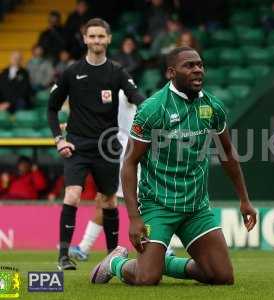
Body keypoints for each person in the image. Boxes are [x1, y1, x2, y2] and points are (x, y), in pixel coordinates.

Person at [90, 46, 257, 285]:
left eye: (200, 64)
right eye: (189, 65)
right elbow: (129, 163)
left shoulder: (213, 107)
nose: (198, 70)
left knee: (221, 276)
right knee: (147, 279)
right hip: (157, 204)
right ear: (171, 72)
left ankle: (162, 262)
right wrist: (134, 217)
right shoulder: (152, 109)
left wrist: (244, 200)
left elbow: (228, 154)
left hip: (196, 207)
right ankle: (115, 262)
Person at [47, 18, 145, 271]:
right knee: (73, 194)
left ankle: (112, 256)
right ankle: (63, 256)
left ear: (109, 39)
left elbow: (136, 97)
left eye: (101, 36)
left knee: (109, 201)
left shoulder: (117, 72)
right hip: (77, 146)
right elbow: (51, 107)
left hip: (107, 147)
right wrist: (59, 139)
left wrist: (150, 107)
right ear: (85, 39)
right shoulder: (71, 72)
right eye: (92, 36)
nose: (97, 41)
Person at [69, 91, 175, 261]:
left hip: (126, 152)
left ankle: (165, 247)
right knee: (104, 200)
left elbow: (143, 102)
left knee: (141, 202)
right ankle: (84, 247)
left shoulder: (121, 91)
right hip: (115, 153)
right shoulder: (102, 94)